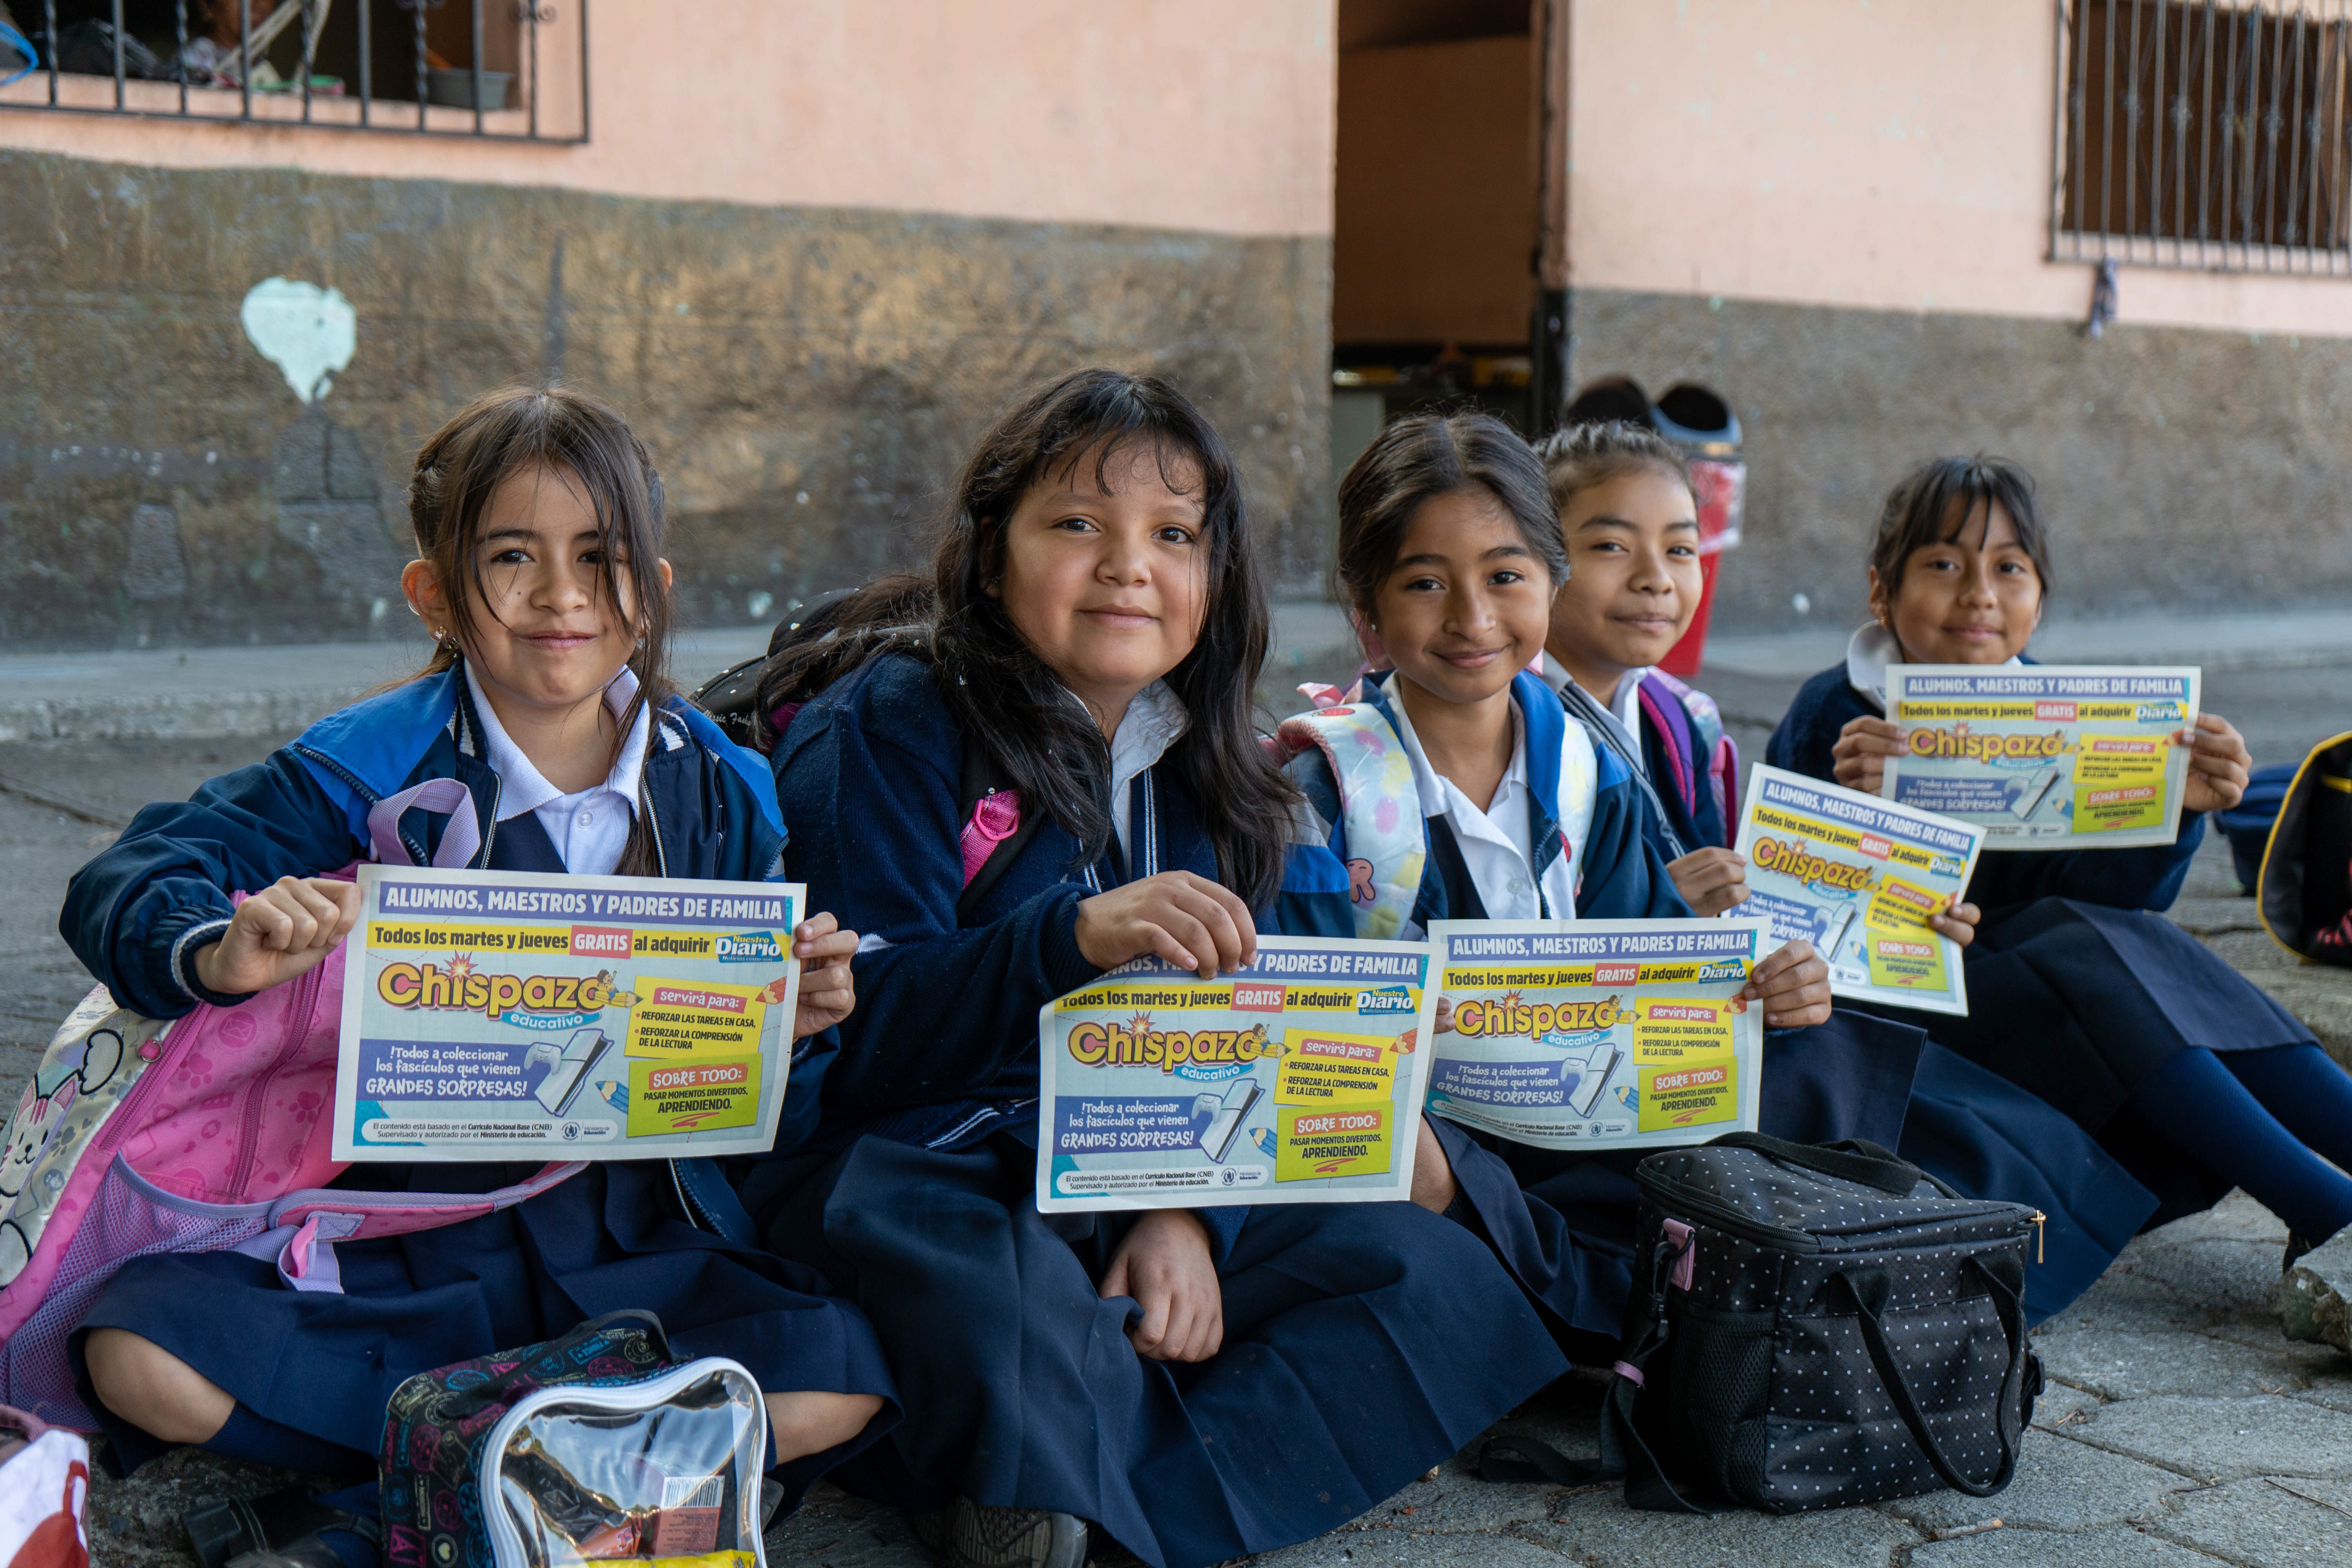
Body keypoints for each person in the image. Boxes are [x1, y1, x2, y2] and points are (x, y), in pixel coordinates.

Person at [752, 369, 1566, 1568]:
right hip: (942, 1166)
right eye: (1079, 524)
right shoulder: (892, 725)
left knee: (1425, 1268)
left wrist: (1186, 1208)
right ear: (989, 557)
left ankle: (1035, 1467)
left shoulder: (1234, 775)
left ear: (1215, 577)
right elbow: (851, 1042)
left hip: (1154, 1155)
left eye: (1174, 535)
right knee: (970, 1267)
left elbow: (1281, 1043)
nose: (1130, 564)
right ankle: (1052, 1456)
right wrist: (1065, 943)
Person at [58, 387, 896, 1542]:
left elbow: (752, 1112)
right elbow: (130, 878)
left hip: (626, 1235)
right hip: (399, 1227)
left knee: (843, 1376)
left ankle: (380, 1518)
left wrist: (794, 1030)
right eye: (512, 557)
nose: (561, 597)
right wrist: (220, 945)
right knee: (137, 1355)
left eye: (601, 559)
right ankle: (569, 1492)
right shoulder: (365, 766)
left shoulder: (722, 788)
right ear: (439, 596)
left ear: (650, 594)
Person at [1267, 410, 1929, 1358]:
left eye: (1506, 575)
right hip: (1427, 1151)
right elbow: (1308, 1043)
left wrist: (1759, 990)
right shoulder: (1322, 793)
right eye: (1425, 582)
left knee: (1823, 1062)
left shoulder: (1588, 766)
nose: (1474, 618)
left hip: (1583, 1126)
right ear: (1365, 605)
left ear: (1550, 580)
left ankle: (1630, 1308)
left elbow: (1657, 967)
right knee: (1404, 1230)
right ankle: (1640, 1316)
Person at [1535, 423, 2159, 1318]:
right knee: (1910, 1110)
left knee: (1991, 1115)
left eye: (1680, 548)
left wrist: (1906, 916)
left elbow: (1763, 899)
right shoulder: (1528, 732)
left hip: (1743, 1009)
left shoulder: (1684, 720)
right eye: (1609, 547)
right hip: (1618, 1056)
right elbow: (1531, 944)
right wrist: (1667, 910)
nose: (1654, 578)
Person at [1767, 454, 2352, 1276]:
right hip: (1918, 1021)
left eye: (2010, 568)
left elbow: (2125, 904)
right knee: (2073, 938)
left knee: (2110, 937)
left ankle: (2333, 1189)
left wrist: (2177, 808)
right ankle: (2327, 1207)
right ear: (1881, 592)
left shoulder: (2064, 714)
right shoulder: (1838, 714)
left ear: (2039, 600)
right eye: (1943, 564)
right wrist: (1868, 817)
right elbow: (1804, 920)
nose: (1979, 593)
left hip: (2063, 997)